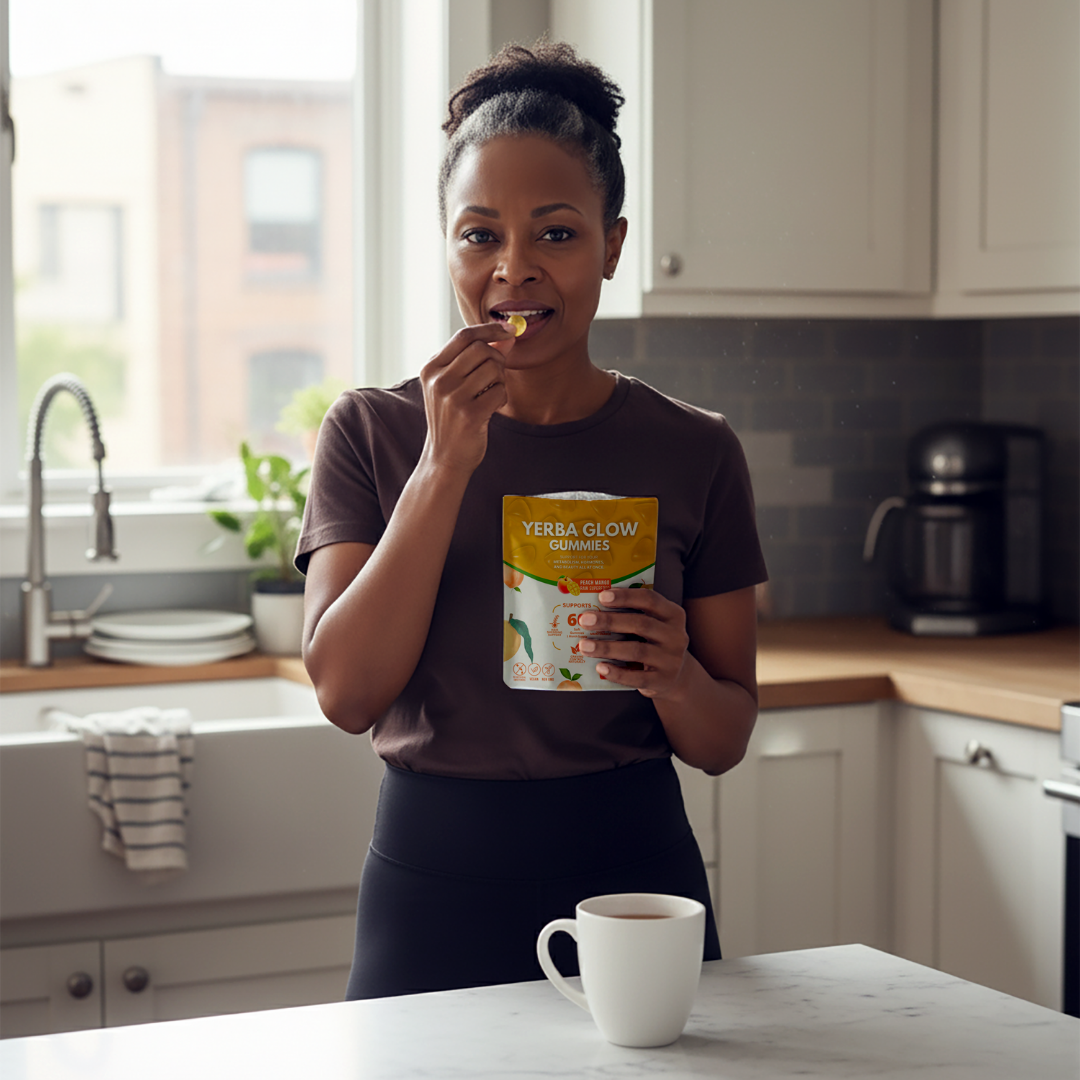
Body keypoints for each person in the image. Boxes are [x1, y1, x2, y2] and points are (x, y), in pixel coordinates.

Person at [295, 41, 768, 1000]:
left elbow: (723, 739)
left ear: (613, 246)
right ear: (448, 247)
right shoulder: (373, 432)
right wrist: (444, 467)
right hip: (431, 881)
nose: (514, 269)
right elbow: (344, 694)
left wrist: (675, 675)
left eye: (555, 234)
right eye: (480, 236)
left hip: (635, 880)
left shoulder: (698, 449)